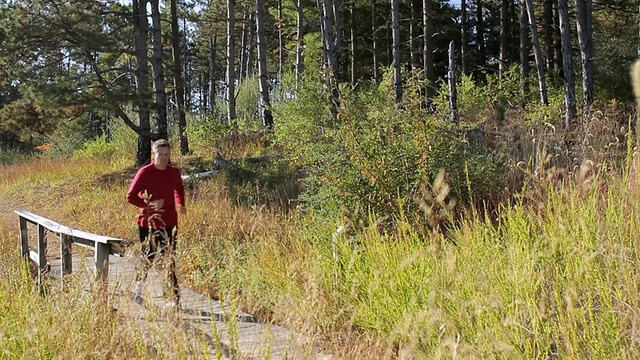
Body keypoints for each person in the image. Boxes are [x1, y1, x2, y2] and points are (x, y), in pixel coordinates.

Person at [126, 139, 186, 308]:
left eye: (167, 154)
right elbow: (131, 196)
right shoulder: (145, 172)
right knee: (148, 258)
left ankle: (173, 298)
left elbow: (178, 189)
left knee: (169, 260)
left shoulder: (173, 172)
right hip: (149, 223)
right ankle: (138, 287)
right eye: (161, 154)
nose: (164, 158)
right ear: (154, 154)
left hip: (170, 222)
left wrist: (180, 203)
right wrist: (149, 205)